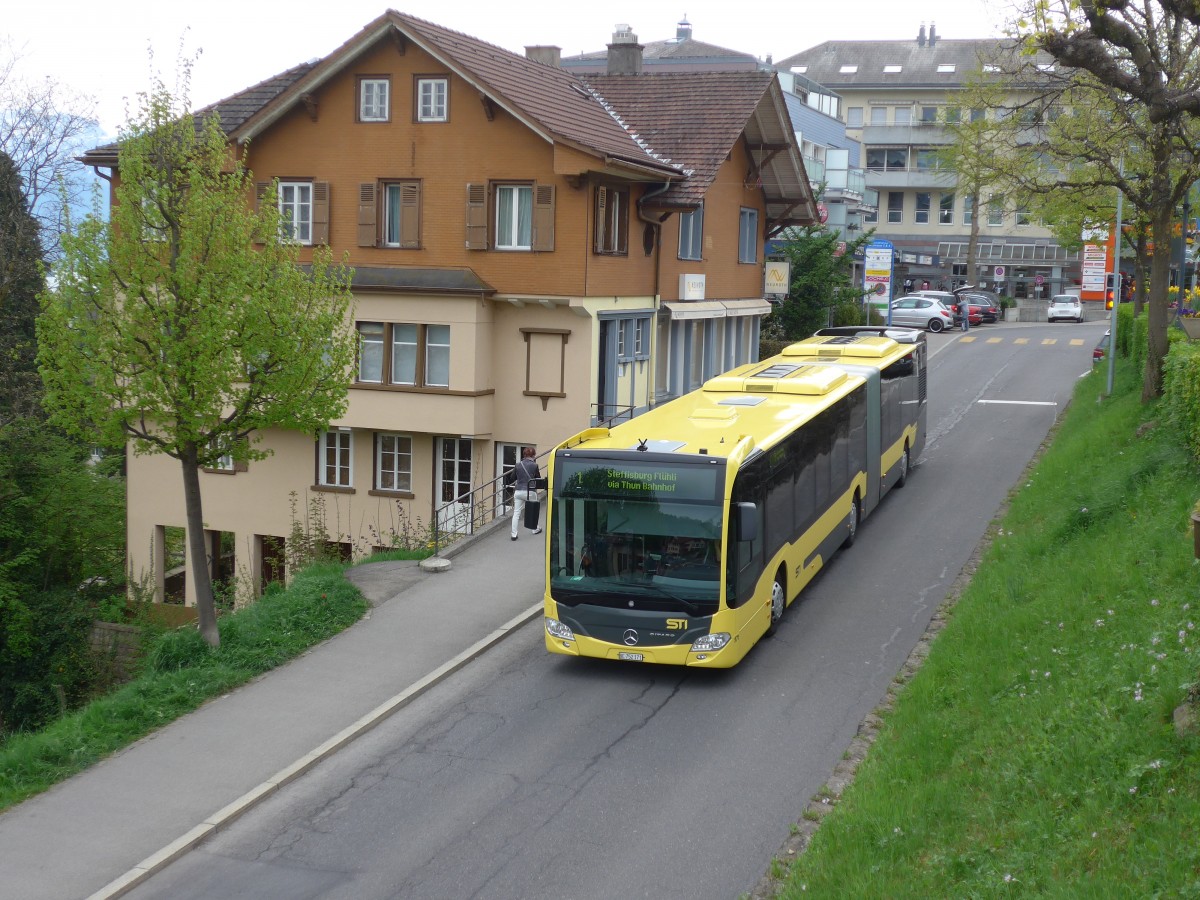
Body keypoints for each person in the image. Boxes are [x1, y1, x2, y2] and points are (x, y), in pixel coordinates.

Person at [509, 446, 542, 540]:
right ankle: (534, 529)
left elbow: (512, 477)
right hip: (530, 491)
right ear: (533, 455)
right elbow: (538, 478)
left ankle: (514, 534)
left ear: (524, 454)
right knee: (533, 510)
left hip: (519, 491)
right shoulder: (535, 465)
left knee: (516, 513)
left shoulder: (518, 464)